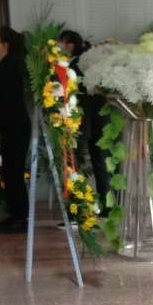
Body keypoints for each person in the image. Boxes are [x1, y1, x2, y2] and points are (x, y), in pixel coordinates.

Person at [58, 30, 110, 214]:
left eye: (61, 43)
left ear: (69, 44)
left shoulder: (77, 65)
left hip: (83, 123)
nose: (60, 48)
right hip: (99, 123)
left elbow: (81, 97)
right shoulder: (89, 61)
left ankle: (79, 209)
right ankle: (105, 206)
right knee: (100, 163)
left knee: (78, 165)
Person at [0, 26, 31, 234]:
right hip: (10, 126)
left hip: (16, 126)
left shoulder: (13, 66)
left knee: (14, 172)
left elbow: (10, 103)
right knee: (9, 171)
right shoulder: (5, 65)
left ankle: (21, 218)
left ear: (4, 44)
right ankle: (16, 214)